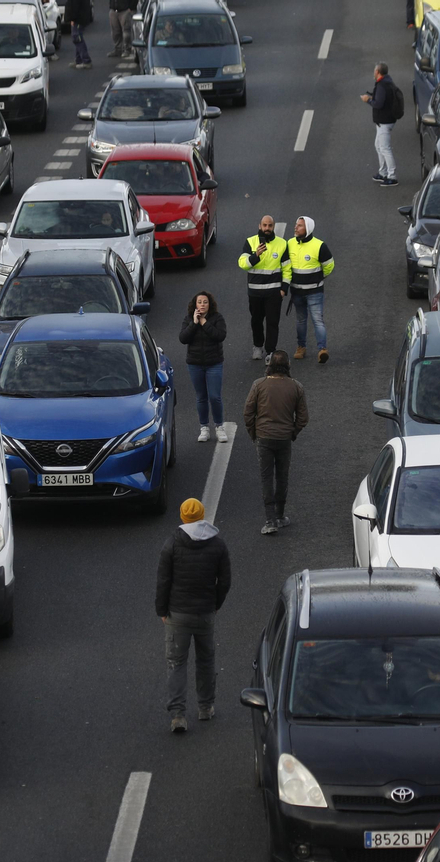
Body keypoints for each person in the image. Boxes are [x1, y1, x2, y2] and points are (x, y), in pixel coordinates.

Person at [155, 498, 232, 733]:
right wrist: (215, 604)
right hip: (205, 613)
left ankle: (178, 715)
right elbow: (225, 581)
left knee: (176, 663)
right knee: (206, 660)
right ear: (202, 515)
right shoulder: (218, 545)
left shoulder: (172, 544)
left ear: (182, 516)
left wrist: (162, 611)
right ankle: (206, 707)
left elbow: (163, 581)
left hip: (177, 614)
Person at [242, 350, 308, 535]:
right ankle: (280, 516)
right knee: (282, 477)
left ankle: (270, 520)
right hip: (284, 438)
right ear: (288, 366)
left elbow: (248, 413)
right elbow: (303, 417)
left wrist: (253, 433)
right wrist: (292, 432)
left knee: (266, 478)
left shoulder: (258, 385)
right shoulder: (296, 387)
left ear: (269, 365)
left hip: (264, 437)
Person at [281, 216, 335, 364]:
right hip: (297, 292)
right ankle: (301, 347)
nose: (296, 228)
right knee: (300, 320)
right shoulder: (290, 243)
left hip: (314, 292)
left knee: (317, 320)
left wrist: (318, 277)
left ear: (308, 229)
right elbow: (285, 265)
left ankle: (322, 350)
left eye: (299, 226)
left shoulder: (319, 246)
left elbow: (329, 265)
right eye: (296, 225)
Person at [178, 291, 228, 443]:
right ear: (195, 305)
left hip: (214, 363)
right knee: (201, 397)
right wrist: (194, 323)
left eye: (205, 302)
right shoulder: (188, 319)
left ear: (209, 304)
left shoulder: (217, 318)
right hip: (195, 363)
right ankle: (204, 427)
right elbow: (183, 338)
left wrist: (204, 323)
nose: (202, 305)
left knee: (215, 396)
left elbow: (220, 336)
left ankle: (219, 427)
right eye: (199, 302)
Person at [238, 215, 287, 360]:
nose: (267, 228)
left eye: (270, 226)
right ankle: (257, 346)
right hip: (255, 291)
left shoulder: (282, 244)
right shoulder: (250, 242)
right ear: (260, 226)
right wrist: (256, 255)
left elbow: (287, 268)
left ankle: (271, 352)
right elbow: (242, 264)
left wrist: (284, 288)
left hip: (274, 291)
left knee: (272, 322)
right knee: (256, 321)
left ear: (273, 227)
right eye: (264, 225)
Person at [361, 62, 404, 187]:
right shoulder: (387, 83)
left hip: (384, 122)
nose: (373, 73)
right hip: (386, 120)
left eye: (375, 70)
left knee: (385, 148)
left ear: (378, 72)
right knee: (378, 146)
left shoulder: (381, 86)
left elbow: (378, 104)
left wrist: (367, 100)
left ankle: (392, 176)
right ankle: (383, 172)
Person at [65, 0, 94, 69]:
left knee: (77, 38)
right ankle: (79, 60)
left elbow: (75, 7)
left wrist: (72, 19)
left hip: (78, 19)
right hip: (80, 18)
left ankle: (86, 61)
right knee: (77, 39)